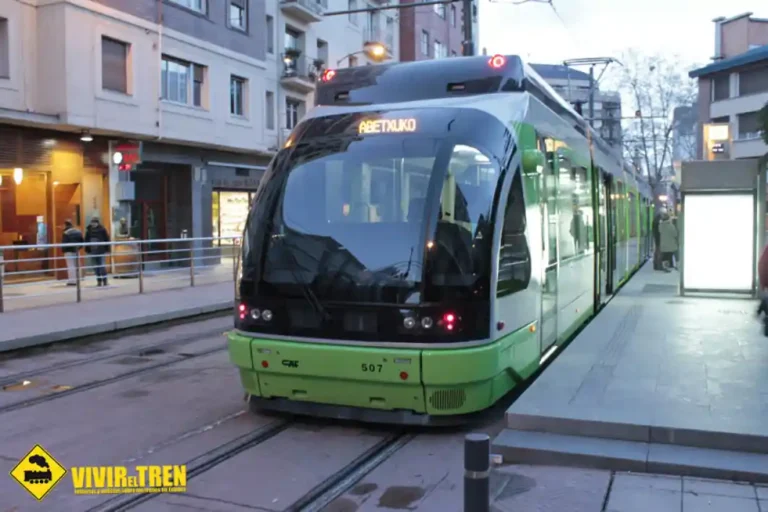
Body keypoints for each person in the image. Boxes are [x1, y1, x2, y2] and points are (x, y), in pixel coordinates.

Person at [85, 217, 111, 286]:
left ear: (97, 223)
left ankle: (103, 280)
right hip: (94, 250)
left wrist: (107, 249)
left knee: (100, 266)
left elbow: (106, 239)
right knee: (96, 266)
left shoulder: (101, 230)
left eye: (94, 222)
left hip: (99, 250)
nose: (93, 224)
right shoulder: (89, 230)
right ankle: (100, 281)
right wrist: (87, 249)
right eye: (92, 222)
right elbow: (86, 240)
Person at [61, 220, 84, 286]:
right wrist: (78, 248)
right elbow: (82, 241)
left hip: (68, 251)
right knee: (77, 265)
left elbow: (64, 243)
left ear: (66, 225)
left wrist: (64, 250)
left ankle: (72, 281)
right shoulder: (78, 231)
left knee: (70, 266)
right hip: (76, 250)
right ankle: (78, 279)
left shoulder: (66, 232)